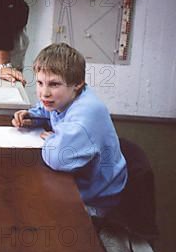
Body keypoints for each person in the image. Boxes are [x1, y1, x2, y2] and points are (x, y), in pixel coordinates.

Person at [12, 43, 127, 217]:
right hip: (82, 182)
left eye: (54, 84)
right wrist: (32, 116)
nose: (44, 93)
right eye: (40, 83)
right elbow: (50, 109)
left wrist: (52, 139)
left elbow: (59, 158)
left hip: (97, 199)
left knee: (31, 211)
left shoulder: (86, 113)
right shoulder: (68, 97)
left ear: (77, 84)